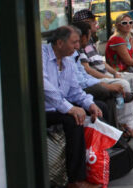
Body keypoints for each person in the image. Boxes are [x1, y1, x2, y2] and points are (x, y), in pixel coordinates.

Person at [42, 26, 103, 188]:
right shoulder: (42, 55)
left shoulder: (68, 61)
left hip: (59, 106)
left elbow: (75, 91)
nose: (77, 46)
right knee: (73, 120)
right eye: (74, 42)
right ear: (60, 43)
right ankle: (75, 180)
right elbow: (45, 87)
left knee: (98, 109)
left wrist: (90, 104)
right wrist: (69, 108)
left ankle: (96, 166)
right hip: (43, 110)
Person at [72, 20, 133, 138]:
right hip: (88, 82)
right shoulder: (76, 52)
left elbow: (89, 71)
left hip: (92, 80)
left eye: (130, 22)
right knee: (111, 91)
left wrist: (113, 74)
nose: (129, 25)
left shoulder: (82, 48)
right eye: (125, 22)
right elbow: (85, 74)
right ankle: (121, 125)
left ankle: (125, 123)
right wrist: (106, 82)